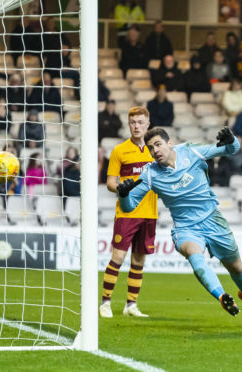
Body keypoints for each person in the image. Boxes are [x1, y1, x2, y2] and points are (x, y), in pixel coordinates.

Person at [117, 127, 242, 322]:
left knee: (236, 268)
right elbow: (129, 208)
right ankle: (222, 296)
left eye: (158, 145)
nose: (155, 151)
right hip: (186, 228)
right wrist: (124, 194)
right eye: (151, 148)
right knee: (196, 258)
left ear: (170, 143)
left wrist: (232, 140)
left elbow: (230, 150)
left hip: (213, 220)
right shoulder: (150, 174)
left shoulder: (191, 151)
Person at [99, 106, 158, 318]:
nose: (136, 126)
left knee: (138, 261)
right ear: (128, 124)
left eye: (140, 122)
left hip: (150, 213)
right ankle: (105, 302)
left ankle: (131, 305)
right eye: (133, 122)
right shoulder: (119, 151)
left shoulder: (155, 150)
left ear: (147, 124)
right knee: (118, 257)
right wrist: (121, 188)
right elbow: (109, 183)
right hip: (126, 213)